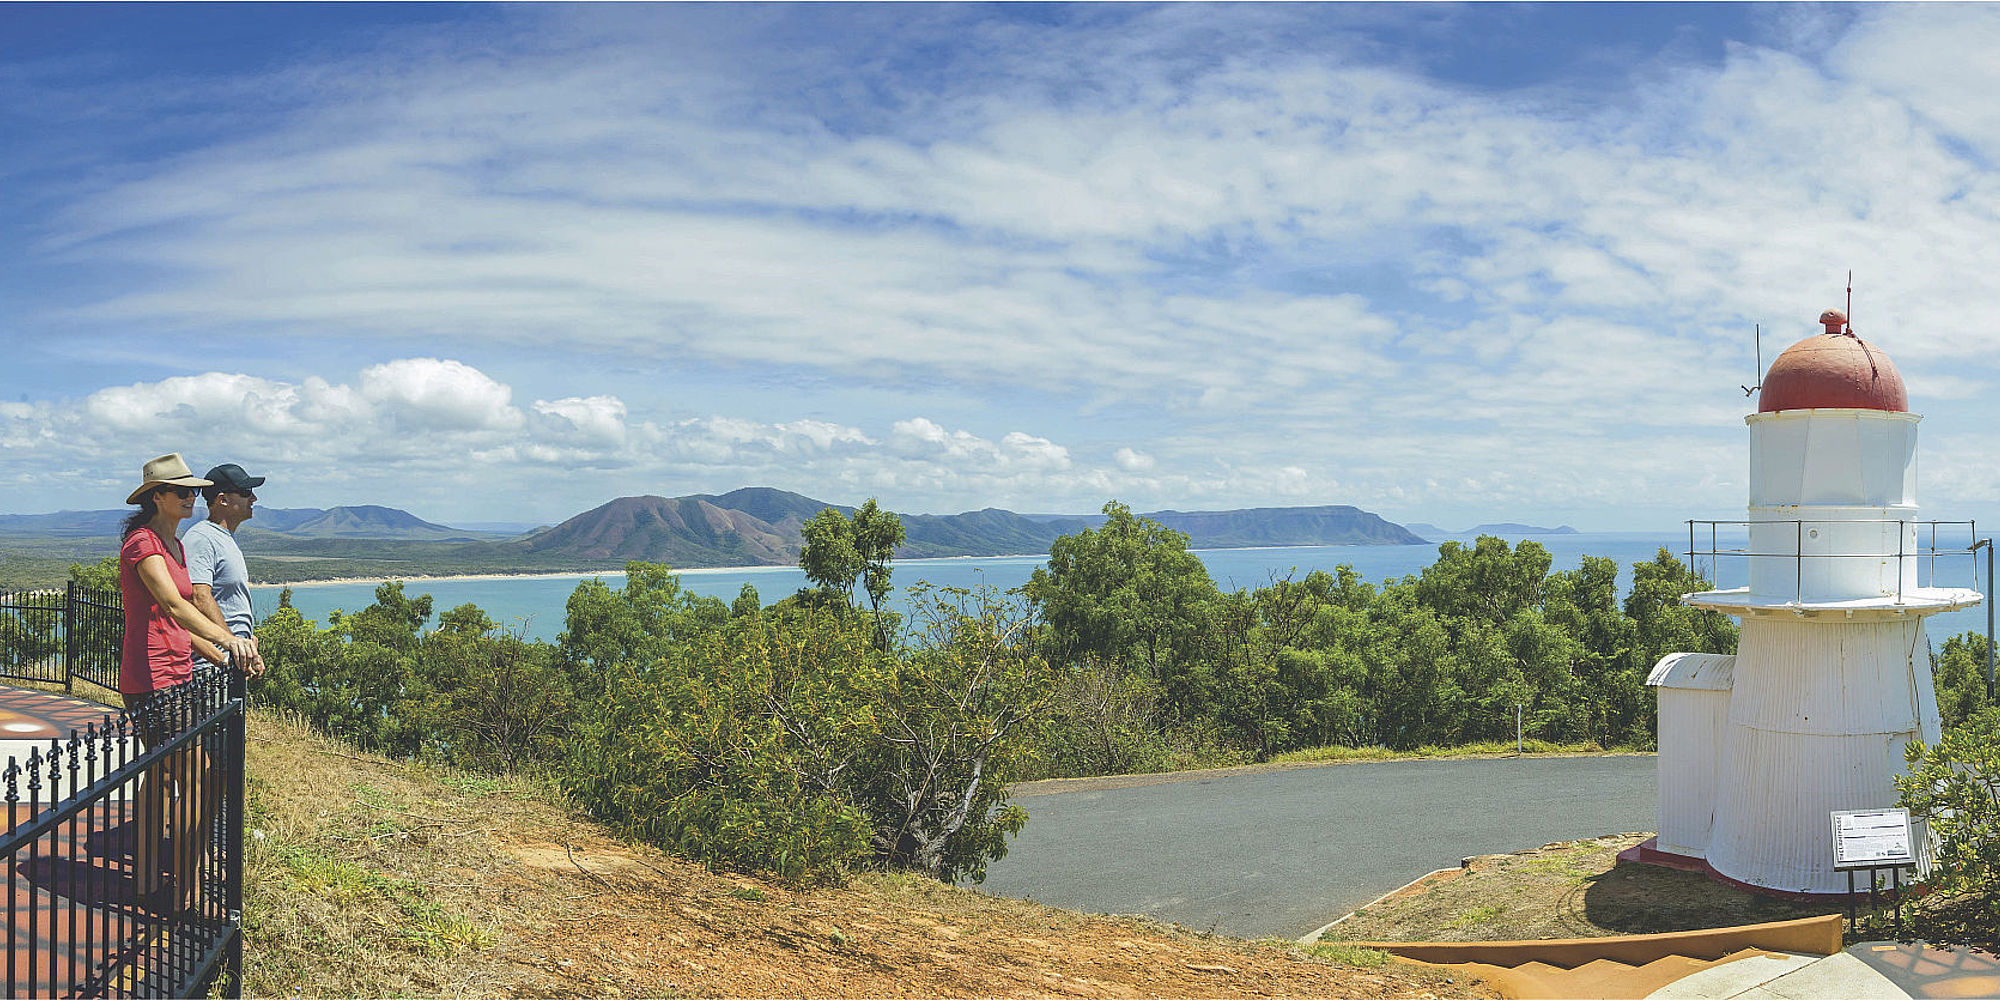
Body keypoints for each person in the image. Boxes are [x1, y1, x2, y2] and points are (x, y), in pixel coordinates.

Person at [118, 453, 257, 907]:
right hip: (152, 677)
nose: (191, 497)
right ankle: (184, 891)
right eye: (181, 491)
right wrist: (230, 639)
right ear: (156, 496)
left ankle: (145, 882)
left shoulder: (175, 545)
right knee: (198, 776)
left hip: (177, 672)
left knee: (160, 775)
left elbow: (178, 621)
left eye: (193, 490)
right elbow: (176, 606)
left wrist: (215, 652)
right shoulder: (143, 544)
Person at [185, 463, 268, 679]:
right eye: (246, 492)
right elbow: (199, 596)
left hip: (230, 659)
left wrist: (247, 648)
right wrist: (232, 644)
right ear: (222, 499)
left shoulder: (224, 537)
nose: (254, 498)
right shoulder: (202, 538)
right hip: (211, 666)